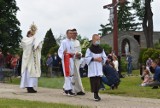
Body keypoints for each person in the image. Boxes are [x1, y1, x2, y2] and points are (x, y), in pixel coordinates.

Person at [20, 24, 43, 93]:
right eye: (30, 34)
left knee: (33, 72)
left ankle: (32, 86)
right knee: (28, 73)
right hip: (27, 60)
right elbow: (25, 46)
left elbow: (39, 47)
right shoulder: (25, 40)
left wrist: (36, 43)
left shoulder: (36, 40)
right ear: (28, 34)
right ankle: (28, 86)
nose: (31, 35)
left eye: (33, 34)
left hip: (34, 60)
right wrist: (31, 41)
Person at [85, 34, 107, 101]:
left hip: (99, 67)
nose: (98, 41)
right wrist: (94, 59)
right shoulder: (89, 49)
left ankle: (97, 93)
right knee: (94, 81)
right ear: (93, 40)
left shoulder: (101, 49)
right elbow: (86, 58)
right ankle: (95, 94)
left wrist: (102, 59)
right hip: (93, 67)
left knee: (98, 81)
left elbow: (105, 57)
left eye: (99, 39)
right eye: (97, 39)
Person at [58, 29, 75, 96]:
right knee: (67, 74)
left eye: (72, 33)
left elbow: (72, 51)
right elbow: (60, 50)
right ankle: (68, 90)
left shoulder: (72, 42)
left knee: (71, 74)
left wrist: (74, 54)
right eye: (70, 33)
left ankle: (66, 88)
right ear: (67, 34)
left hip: (71, 59)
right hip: (66, 59)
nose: (71, 34)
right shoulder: (64, 42)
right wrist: (63, 52)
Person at [71, 29, 85, 95]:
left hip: (77, 60)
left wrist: (80, 54)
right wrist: (74, 54)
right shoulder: (68, 42)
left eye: (76, 33)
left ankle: (79, 89)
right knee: (72, 75)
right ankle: (72, 89)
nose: (75, 35)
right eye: (74, 33)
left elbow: (79, 50)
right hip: (71, 60)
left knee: (77, 75)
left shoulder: (77, 42)